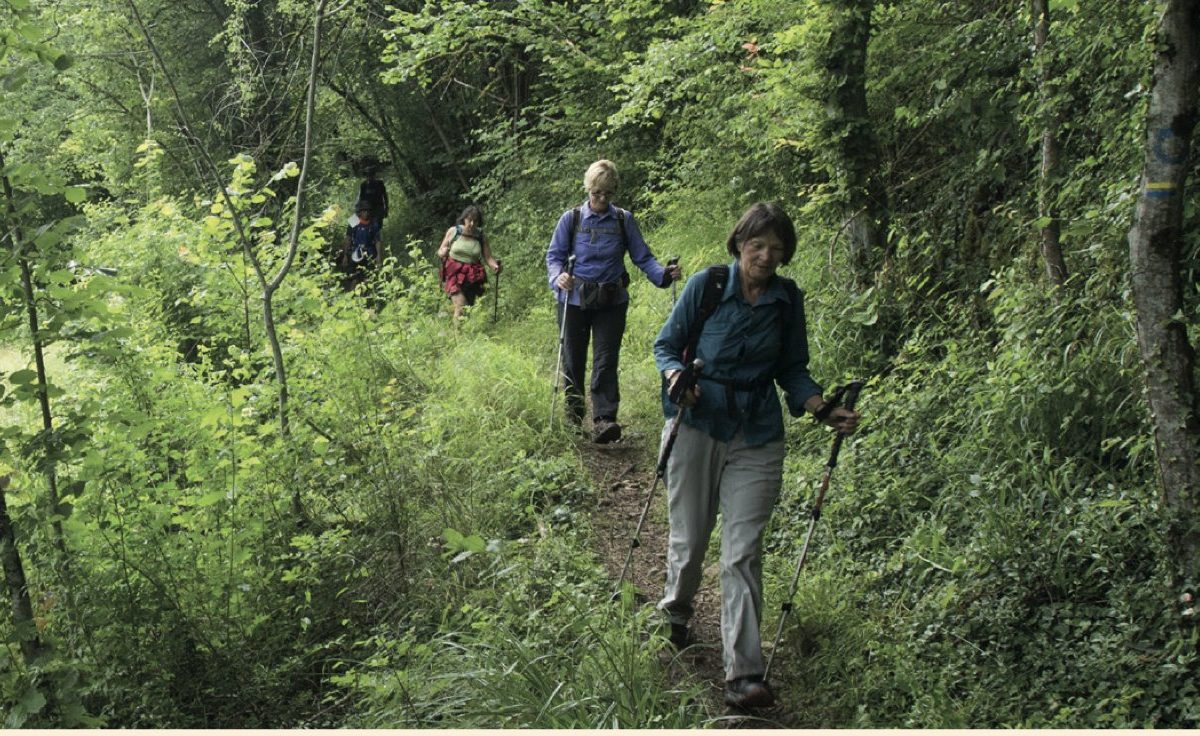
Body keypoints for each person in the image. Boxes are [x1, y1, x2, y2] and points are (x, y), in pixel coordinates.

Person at [652, 202, 859, 709]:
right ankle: (676, 610)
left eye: (776, 248)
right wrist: (676, 377)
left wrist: (819, 407)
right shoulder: (706, 286)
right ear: (740, 243)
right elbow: (666, 346)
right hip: (698, 423)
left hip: (757, 432)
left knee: (742, 551)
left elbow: (793, 368)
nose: (766, 255)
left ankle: (743, 674)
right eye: (757, 245)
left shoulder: (787, 301)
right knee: (692, 534)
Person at [546, 159, 682, 443]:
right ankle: (574, 418)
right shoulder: (571, 219)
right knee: (574, 359)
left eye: (608, 193)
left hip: (612, 299)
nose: (602, 199)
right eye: (597, 193)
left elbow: (642, 257)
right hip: (574, 300)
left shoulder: (623, 219)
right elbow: (554, 257)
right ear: (588, 189)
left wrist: (664, 276)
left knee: (606, 360)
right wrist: (558, 277)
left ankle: (604, 419)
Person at [437, 205, 501, 320]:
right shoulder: (454, 231)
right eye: (469, 220)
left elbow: (488, 258)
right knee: (461, 306)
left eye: (475, 221)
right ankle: (458, 336)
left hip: (472, 276)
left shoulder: (480, 236)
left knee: (468, 309)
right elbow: (440, 250)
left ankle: (460, 332)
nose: (472, 223)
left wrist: (495, 266)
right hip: (453, 273)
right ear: (464, 218)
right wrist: (443, 252)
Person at [342, 200, 383, 289]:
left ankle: (365, 296)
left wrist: (379, 256)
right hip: (355, 252)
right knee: (352, 276)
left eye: (368, 211)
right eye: (364, 211)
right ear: (360, 212)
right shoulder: (353, 220)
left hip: (369, 253)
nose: (366, 213)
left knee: (368, 277)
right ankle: (352, 295)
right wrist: (345, 255)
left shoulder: (373, 222)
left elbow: (377, 240)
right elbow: (348, 238)